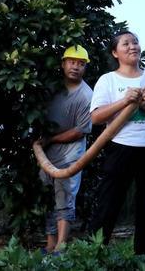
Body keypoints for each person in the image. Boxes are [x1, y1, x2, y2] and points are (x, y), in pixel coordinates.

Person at [89, 30, 145, 254]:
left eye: (135, 42)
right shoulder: (108, 80)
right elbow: (96, 117)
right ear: (115, 52)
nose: (133, 46)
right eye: (126, 44)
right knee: (108, 204)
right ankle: (94, 254)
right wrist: (125, 101)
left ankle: (141, 256)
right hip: (120, 148)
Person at [38, 45, 93, 254]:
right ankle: (50, 243)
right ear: (63, 64)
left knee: (65, 195)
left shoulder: (86, 95)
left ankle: (61, 246)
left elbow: (80, 131)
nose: (76, 67)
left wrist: (49, 139)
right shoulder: (53, 88)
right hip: (47, 151)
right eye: (72, 62)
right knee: (47, 195)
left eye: (81, 64)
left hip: (70, 153)